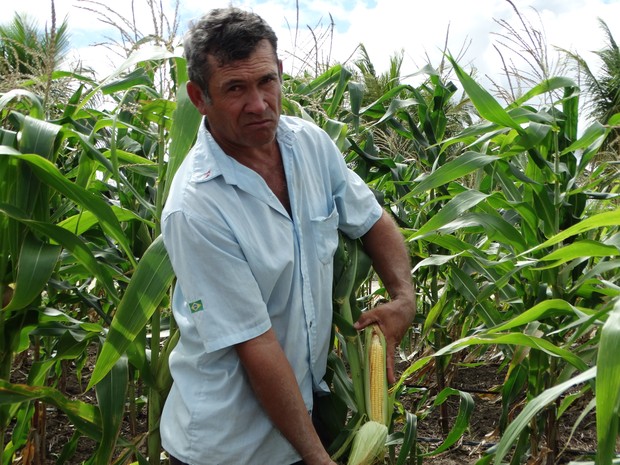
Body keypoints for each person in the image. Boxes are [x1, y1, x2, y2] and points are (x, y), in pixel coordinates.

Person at [160, 7, 415, 465]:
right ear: (199, 98)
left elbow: (371, 218)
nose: (258, 104)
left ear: (280, 73)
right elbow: (255, 346)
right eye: (235, 89)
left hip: (298, 426)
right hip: (228, 445)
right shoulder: (196, 207)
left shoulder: (310, 144)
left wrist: (403, 296)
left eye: (265, 82)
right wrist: (318, 458)